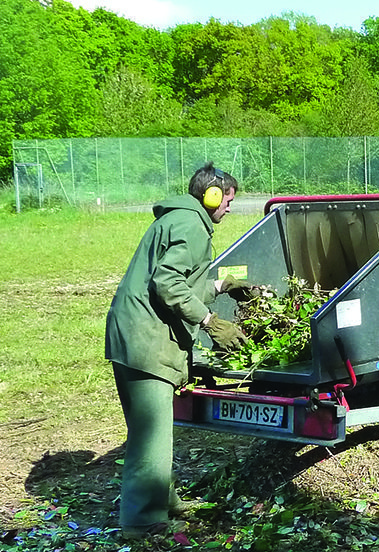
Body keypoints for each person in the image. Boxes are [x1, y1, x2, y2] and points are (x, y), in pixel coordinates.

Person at [104, 163, 254, 539]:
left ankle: (163, 498)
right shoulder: (190, 226)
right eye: (228, 200)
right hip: (145, 341)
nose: (229, 208)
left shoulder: (177, 220)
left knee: (151, 430)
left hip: (132, 335)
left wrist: (220, 285)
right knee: (150, 432)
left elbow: (181, 282)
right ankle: (142, 522)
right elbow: (167, 284)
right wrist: (210, 323)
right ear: (212, 195)